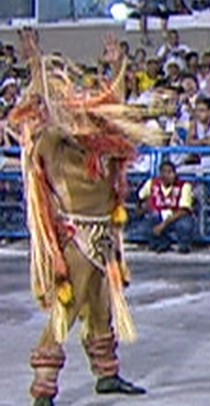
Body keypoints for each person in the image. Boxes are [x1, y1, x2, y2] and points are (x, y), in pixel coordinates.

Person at [10, 30, 161, 406]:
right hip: (78, 237)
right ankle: (42, 390)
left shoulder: (98, 145)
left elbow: (120, 115)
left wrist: (116, 67)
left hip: (105, 236)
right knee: (67, 309)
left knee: (101, 308)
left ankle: (107, 375)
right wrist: (36, 66)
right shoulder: (53, 145)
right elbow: (58, 118)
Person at [130, 161, 197, 254]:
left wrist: (163, 225)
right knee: (144, 227)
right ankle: (162, 243)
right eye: (165, 172)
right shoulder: (152, 183)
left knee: (185, 225)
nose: (168, 175)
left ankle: (184, 245)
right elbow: (140, 197)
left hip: (176, 217)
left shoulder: (184, 186)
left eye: (170, 172)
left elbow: (184, 210)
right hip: (158, 216)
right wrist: (142, 208)